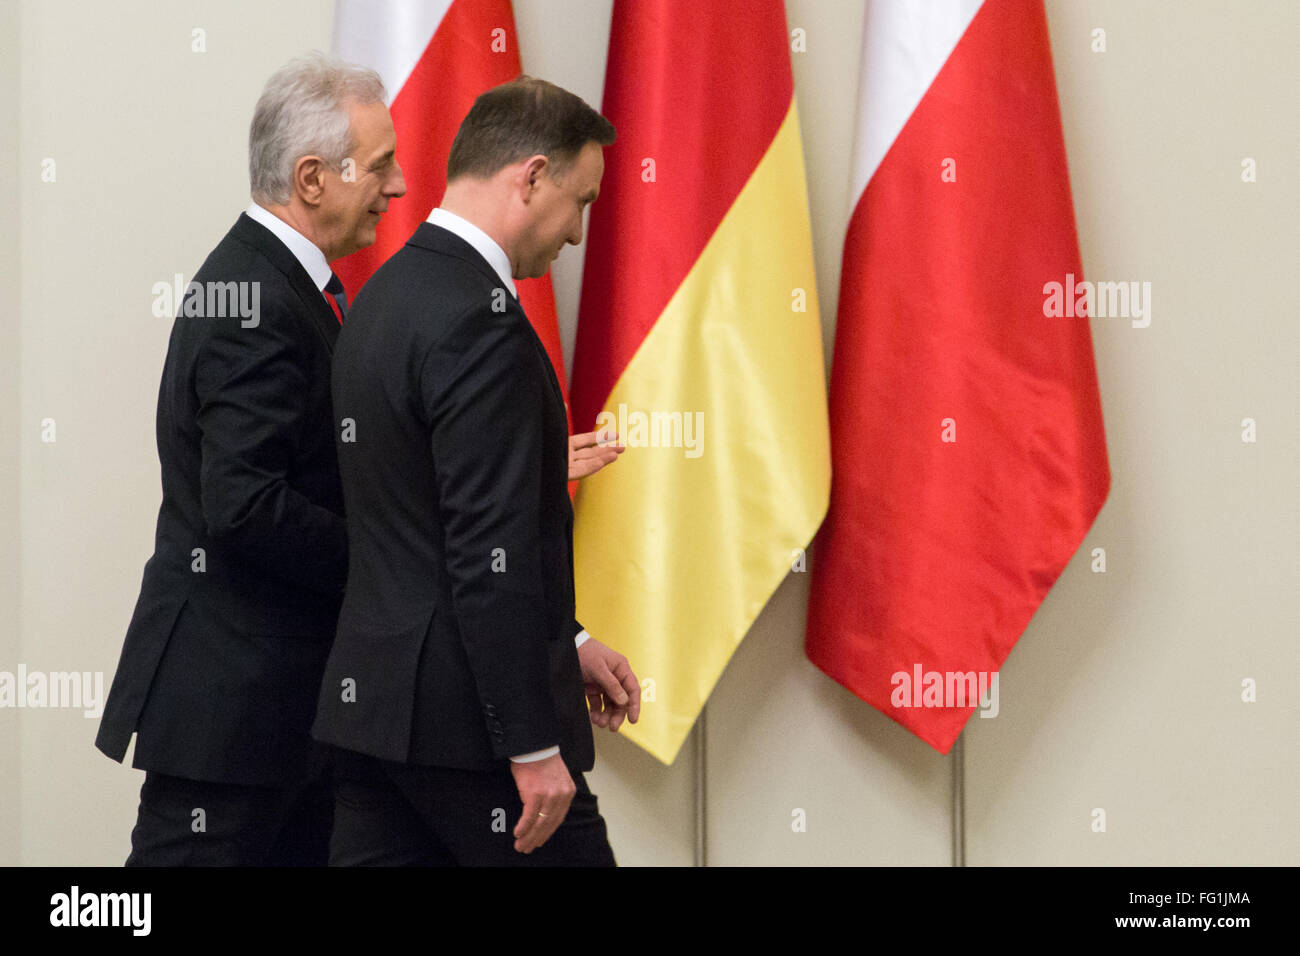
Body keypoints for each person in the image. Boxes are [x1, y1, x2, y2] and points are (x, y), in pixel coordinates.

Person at [312, 76, 640, 866]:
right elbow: (485, 554)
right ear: (530, 176)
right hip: (473, 737)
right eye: (582, 203)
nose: (576, 234)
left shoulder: (382, 296)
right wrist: (529, 743)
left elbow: (419, 520)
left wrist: (570, 638)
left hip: (373, 720)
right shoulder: (479, 321)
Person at [94, 52, 406, 865]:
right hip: (232, 713)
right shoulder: (255, 301)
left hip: (275, 710)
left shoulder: (275, 285)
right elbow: (245, 505)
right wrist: (386, 562)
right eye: (380, 166)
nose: (399, 186)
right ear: (312, 177)